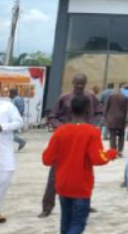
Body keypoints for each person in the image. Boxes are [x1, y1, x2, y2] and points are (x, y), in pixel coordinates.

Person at [41, 95, 117, 234]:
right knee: (78, 224)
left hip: (62, 183)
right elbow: (97, 159)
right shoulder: (91, 132)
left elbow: (47, 159)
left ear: (69, 110)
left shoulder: (60, 131)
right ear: (87, 110)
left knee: (65, 221)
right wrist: (111, 153)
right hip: (81, 185)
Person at [40, 74, 103, 218]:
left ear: (86, 83)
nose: (79, 86)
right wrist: (63, 128)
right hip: (66, 138)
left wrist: (92, 125)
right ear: (73, 82)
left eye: (82, 83)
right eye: (77, 83)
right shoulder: (64, 98)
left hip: (84, 139)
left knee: (84, 172)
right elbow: (52, 116)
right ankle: (47, 206)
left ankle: (84, 203)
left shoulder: (91, 97)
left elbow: (99, 113)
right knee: (55, 173)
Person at [0, 79, 24, 223]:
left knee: (3, 180)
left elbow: (19, 122)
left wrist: (1, 127)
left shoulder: (7, 106)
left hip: (2, 151)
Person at [104, 85, 128, 157]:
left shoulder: (111, 96)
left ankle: (113, 152)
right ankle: (120, 151)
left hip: (112, 118)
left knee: (112, 136)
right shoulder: (127, 98)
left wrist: (105, 117)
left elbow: (106, 107)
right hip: (122, 119)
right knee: (121, 136)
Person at [8, 87, 28, 151]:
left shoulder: (17, 99)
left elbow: (21, 109)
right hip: (13, 119)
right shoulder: (15, 99)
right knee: (9, 133)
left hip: (15, 120)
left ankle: (21, 142)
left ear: (13, 93)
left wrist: (16, 118)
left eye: (9, 93)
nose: (8, 95)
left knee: (9, 134)